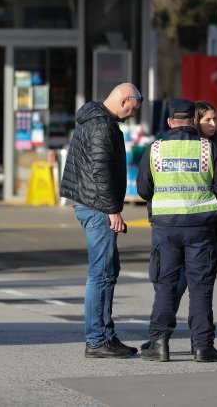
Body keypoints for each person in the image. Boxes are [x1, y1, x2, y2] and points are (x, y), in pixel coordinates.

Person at [137, 98, 217, 363]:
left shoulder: (155, 149)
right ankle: (203, 347)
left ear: (170, 122)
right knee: (201, 288)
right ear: (194, 121)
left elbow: (143, 189)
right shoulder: (207, 148)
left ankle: (159, 344)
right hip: (201, 229)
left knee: (166, 286)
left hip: (166, 228)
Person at [60, 83, 143, 358]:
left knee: (108, 270)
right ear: (124, 99)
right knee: (101, 273)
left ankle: (106, 335)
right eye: (133, 107)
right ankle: (97, 340)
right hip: (97, 208)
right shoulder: (101, 125)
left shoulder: (96, 120)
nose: (133, 114)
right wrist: (112, 210)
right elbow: (100, 169)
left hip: (91, 204)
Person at [173, 101, 217, 315]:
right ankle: (162, 332)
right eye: (207, 119)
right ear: (195, 121)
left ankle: (198, 336)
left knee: (201, 286)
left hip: (213, 225)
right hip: (183, 223)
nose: (213, 124)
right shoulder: (186, 147)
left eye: (215, 119)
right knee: (178, 282)